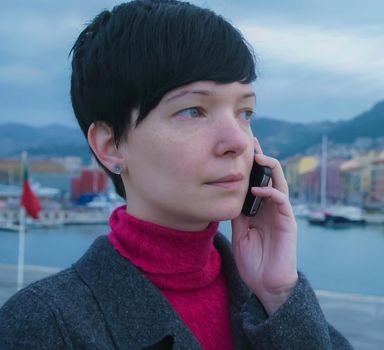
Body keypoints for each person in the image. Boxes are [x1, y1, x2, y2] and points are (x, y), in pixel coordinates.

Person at [0, 1, 353, 349]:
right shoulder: (43, 326)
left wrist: (279, 293)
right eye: (192, 111)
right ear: (110, 146)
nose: (236, 142)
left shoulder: (272, 301)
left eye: (245, 112)